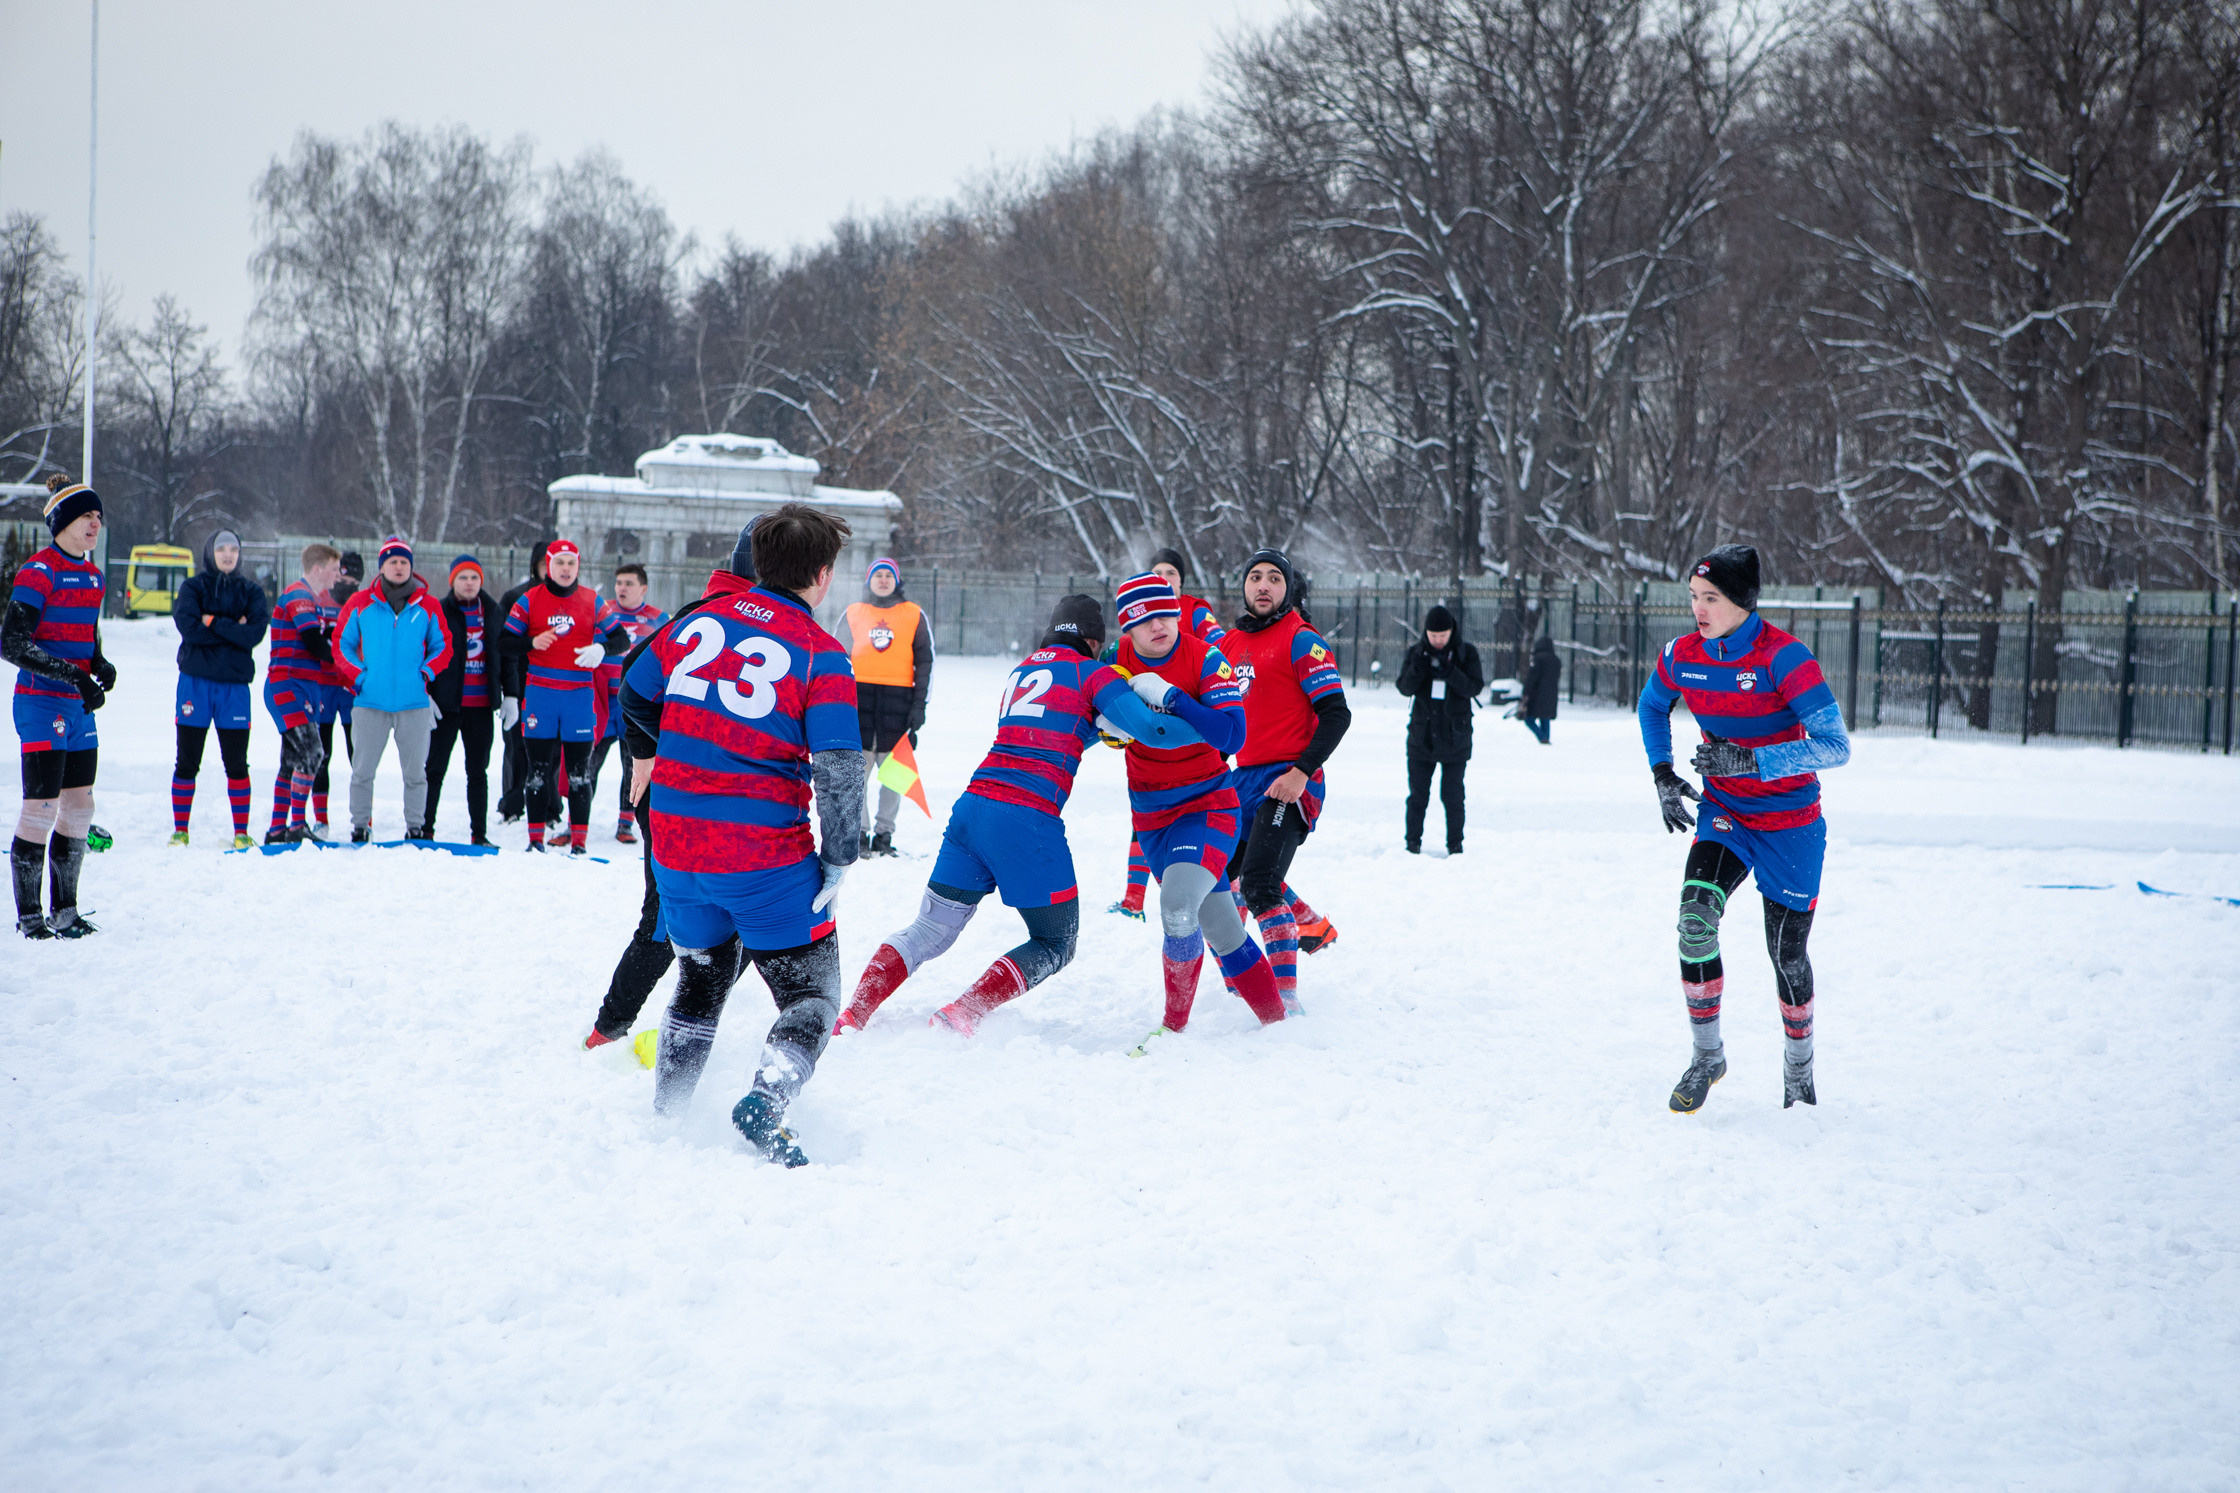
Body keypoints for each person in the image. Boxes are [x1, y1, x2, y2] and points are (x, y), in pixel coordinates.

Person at [836, 594, 1209, 1036]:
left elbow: (1048, 734)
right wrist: (1210, 726)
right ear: (1094, 640)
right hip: (1025, 817)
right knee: (1056, 941)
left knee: (929, 929)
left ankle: (853, 1014)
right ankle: (964, 1011)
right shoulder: (1092, 671)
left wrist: (1096, 728)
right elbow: (1153, 730)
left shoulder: (1024, 669)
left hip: (972, 809)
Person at [618, 502, 863, 1167]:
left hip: (676, 849)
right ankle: (768, 1097)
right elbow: (840, 769)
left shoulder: (694, 620)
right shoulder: (821, 653)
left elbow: (633, 690)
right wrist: (841, 855)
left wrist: (650, 754)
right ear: (821, 574)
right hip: (761, 858)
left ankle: (668, 1111)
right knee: (811, 996)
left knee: (701, 973)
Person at [1638, 544, 1852, 1113]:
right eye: (1693, 597)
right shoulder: (1683, 654)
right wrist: (1662, 773)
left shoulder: (1786, 658)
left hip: (1790, 823)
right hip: (1726, 816)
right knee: (1694, 921)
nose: (1698, 610)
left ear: (1742, 603)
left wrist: (1753, 761)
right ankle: (1708, 1057)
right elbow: (1651, 706)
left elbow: (1835, 747)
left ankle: (1798, 1072)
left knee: (1786, 956)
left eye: (1711, 599)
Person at [582, 521, 761, 1055]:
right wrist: (644, 756)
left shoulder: (768, 620)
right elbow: (634, 676)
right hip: (675, 792)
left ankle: (686, 1020)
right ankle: (607, 1031)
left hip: (728, 796)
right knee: (666, 919)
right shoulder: (706, 616)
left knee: (753, 915)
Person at [1110, 571, 1287, 1052]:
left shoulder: (1207, 658)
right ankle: (1280, 1023)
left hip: (1208, 805)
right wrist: (1107, 726)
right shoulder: (1114, 660)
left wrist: (1172, 699)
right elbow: (1089, 711)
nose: (1159, 626)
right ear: (1127, 628)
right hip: (1150, 816)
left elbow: (1234, 736)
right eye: (1144, 620)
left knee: (1177, 905)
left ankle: (1173, 1029)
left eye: (1166, 612)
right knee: (1223, 929)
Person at [1219, 548, 1352, 1011]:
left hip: (1289, 781)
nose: (1263, 585)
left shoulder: (1301, 639)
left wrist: (1300, 773)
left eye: (1274, 578)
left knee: (1259, 884)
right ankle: (1242, 985)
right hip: (1241, 781)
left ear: (1288, 589)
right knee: (1215, 882)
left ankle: (1286, 1000)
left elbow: (1337, 714)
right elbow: (1220, 721)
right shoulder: (1230, 645)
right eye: (1254, 576)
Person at [4, 475, 112, 937]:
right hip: (40, 701)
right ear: (62, 521)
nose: (95, 524)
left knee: (79, 807)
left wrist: (100, 663)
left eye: (99, 517)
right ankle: (30, 917)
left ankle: (65, 911)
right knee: (41, 809)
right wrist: (74, 676)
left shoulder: (94, 576)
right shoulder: (38, 571)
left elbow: (86, 637)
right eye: (87, 515)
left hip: (77, 707)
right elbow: (11, 643)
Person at [1110, 545, 1226, 920]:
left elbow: (1221, 644)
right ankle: (1132, 899)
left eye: (1171, 573)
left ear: (1181, 581)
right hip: (1150, 764)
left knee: (1208, 857)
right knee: (1151, 818)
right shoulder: (1131, 636)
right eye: (1157, 571)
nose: (1164, 577)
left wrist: (1207, 685)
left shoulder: (1195, 611)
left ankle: (1229, 893)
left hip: (1203, 738)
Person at [498, 539, 630, 853]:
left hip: (578, 698)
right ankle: (535, 840)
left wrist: (602, 648)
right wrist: (531, 642)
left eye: (572, 563)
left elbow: (621, 638)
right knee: (538, 771)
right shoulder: (529, 599)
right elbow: (503, 643)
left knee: (579, 773)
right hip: (541, 697)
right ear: (549, 565)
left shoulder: (592, 600)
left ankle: (579, 844)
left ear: (578, 566)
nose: (566, 569)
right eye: (560, 563)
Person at [333, 537, 451, 842]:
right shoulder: (359, 604)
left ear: (411, 567)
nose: (399, 567)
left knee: (415, 774)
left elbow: (443, 647)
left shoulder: (429, 605)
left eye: (404, 562)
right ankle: (360, 825)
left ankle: (416, 827)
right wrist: (360, 678)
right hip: (370, 701)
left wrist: (424, 675)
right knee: (362, 771)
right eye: (392, 562)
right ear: (382, 566)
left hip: (413, 703)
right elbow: (341, 645)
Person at [168, 529, 270, 850]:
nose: (228, 554)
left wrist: (212, 622)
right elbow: (188, 628)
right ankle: (180, 831)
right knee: (187, 761)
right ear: (210, 552)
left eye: (234, 549)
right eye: (222, 548)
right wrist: (231, 629)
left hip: (235, 689)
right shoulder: (193, 588)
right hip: (195, 685)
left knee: (237, 763)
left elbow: (252, 635)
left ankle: (241, 833)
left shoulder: (252, 592)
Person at [839, 556, 934, 856]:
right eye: (877, 575)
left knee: (894, 777)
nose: (883, 580)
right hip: (858, 707)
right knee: (858, 776)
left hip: (898, 708)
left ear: (897, 580)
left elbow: (926, 662)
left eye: (888, 575)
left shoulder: (914, 614)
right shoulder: (853, 612)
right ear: (869, 580)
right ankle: (860, 834)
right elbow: (836, 658)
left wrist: (920, 706)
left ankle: (883, 836)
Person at [264, 543, 344, 843]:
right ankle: (296, 825)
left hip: (305, 687)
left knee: (292, 759)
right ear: (318, 568)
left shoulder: (314, 599)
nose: (337, 577)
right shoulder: (300, 595)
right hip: (288, 685)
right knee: (313, 752)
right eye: (334, 570)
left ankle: (277, 828)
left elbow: (322, 636)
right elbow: (314, 641)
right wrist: (346, 660)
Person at [424, 555, 505, 845]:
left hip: (481, 707)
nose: (469, 583)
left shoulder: (493, 611)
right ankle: (425, 829)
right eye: (463, 578)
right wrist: (426, 693)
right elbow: (423, 653)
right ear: (452, 581)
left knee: (477, 772)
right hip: (446, 705)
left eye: (474, 578)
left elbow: (505, 656)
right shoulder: (439, 611)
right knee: (434, 769)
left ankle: (479, 834)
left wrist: (512, 695)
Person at [587, 561, 668, 844]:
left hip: (634, 709)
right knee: (588, 763)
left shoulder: (659, 618)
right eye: (619, 582)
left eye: (629, 583)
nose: (622, 588)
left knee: (633, 766)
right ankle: (577, 822)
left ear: (643, 589)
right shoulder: (602, 612)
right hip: (603, 703)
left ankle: (626, 823)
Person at [1396, 604, 1483, 855]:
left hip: (1456, 737)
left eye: (1442, 636)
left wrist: (1451, 673)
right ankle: (1412, 843)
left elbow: (1474, 687)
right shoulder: (1416, 653)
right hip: (1421, 738)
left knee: (1453, 796)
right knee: (1417, 796)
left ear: (1451, 631)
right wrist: (1418, 669)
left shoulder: (1467, 653)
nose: (1437, 641)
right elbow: (1404, 687)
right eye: (1433, 636)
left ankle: (1455, 845)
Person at [306, 551, 364, 836]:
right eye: (343, 576)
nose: (348, 582)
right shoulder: (321, 600)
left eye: (354, 578)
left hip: (352, 689)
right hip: (324, 687)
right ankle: (321, 818)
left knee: (359, 756)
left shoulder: (363, 604)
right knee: (322, 755)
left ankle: (363, 818)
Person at [495, 541, 550, 824]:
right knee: (517, 746)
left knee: (552, 748)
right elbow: (504, 644)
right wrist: (508, 689)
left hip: (557, 685)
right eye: (547, 562)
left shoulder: (576, 601)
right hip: (521, 683)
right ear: (536, 565)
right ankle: (513, 804)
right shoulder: (516, 597)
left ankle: (550, 809)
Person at [1520, 630, 1559, 744]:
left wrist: (1525, 692)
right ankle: (1545, 738)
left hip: (1536, 695)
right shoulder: (1556, 660)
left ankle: (1542, 737)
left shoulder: (1538, 659)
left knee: (1529, 719)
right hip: (1551, 694)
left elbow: (1531, 678)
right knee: (1545, 717)